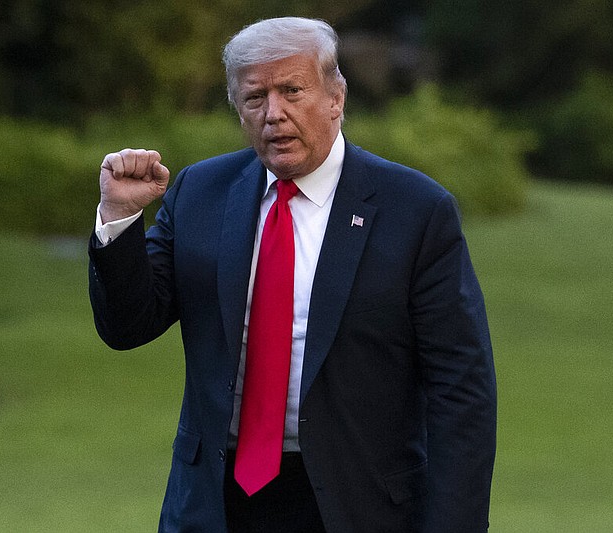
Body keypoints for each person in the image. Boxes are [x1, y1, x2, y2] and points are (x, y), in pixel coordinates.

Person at [89, 16, 496, 533]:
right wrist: (120, 221)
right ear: (238, 109)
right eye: (255, 97)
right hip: (215, 504)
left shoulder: (414, 210)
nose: (274, 114)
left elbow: (461, 391)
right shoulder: (200, 193)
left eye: (292, 90)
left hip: (358, 504)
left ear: (336, 97)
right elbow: (128, 326)